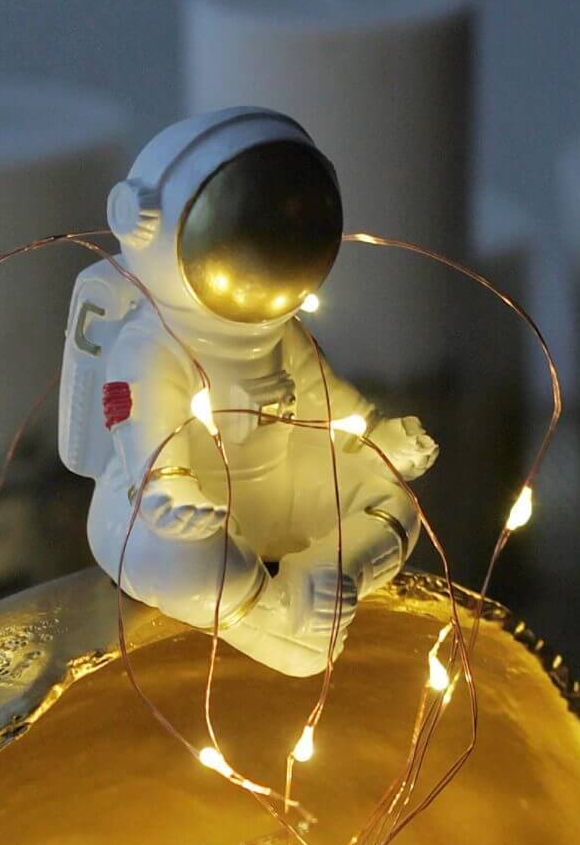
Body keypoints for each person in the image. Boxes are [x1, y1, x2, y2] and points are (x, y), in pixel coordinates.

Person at [59, 107, 436, 675]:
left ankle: (332, 570)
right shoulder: (153, 343)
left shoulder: (281, 334)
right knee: (169, 551)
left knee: (392, 497)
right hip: (180, 510)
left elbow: (327, 399)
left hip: (279, 489)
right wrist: (167, 486)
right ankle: (271, 622)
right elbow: (140, 416)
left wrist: (376, 437)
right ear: (144, 223)